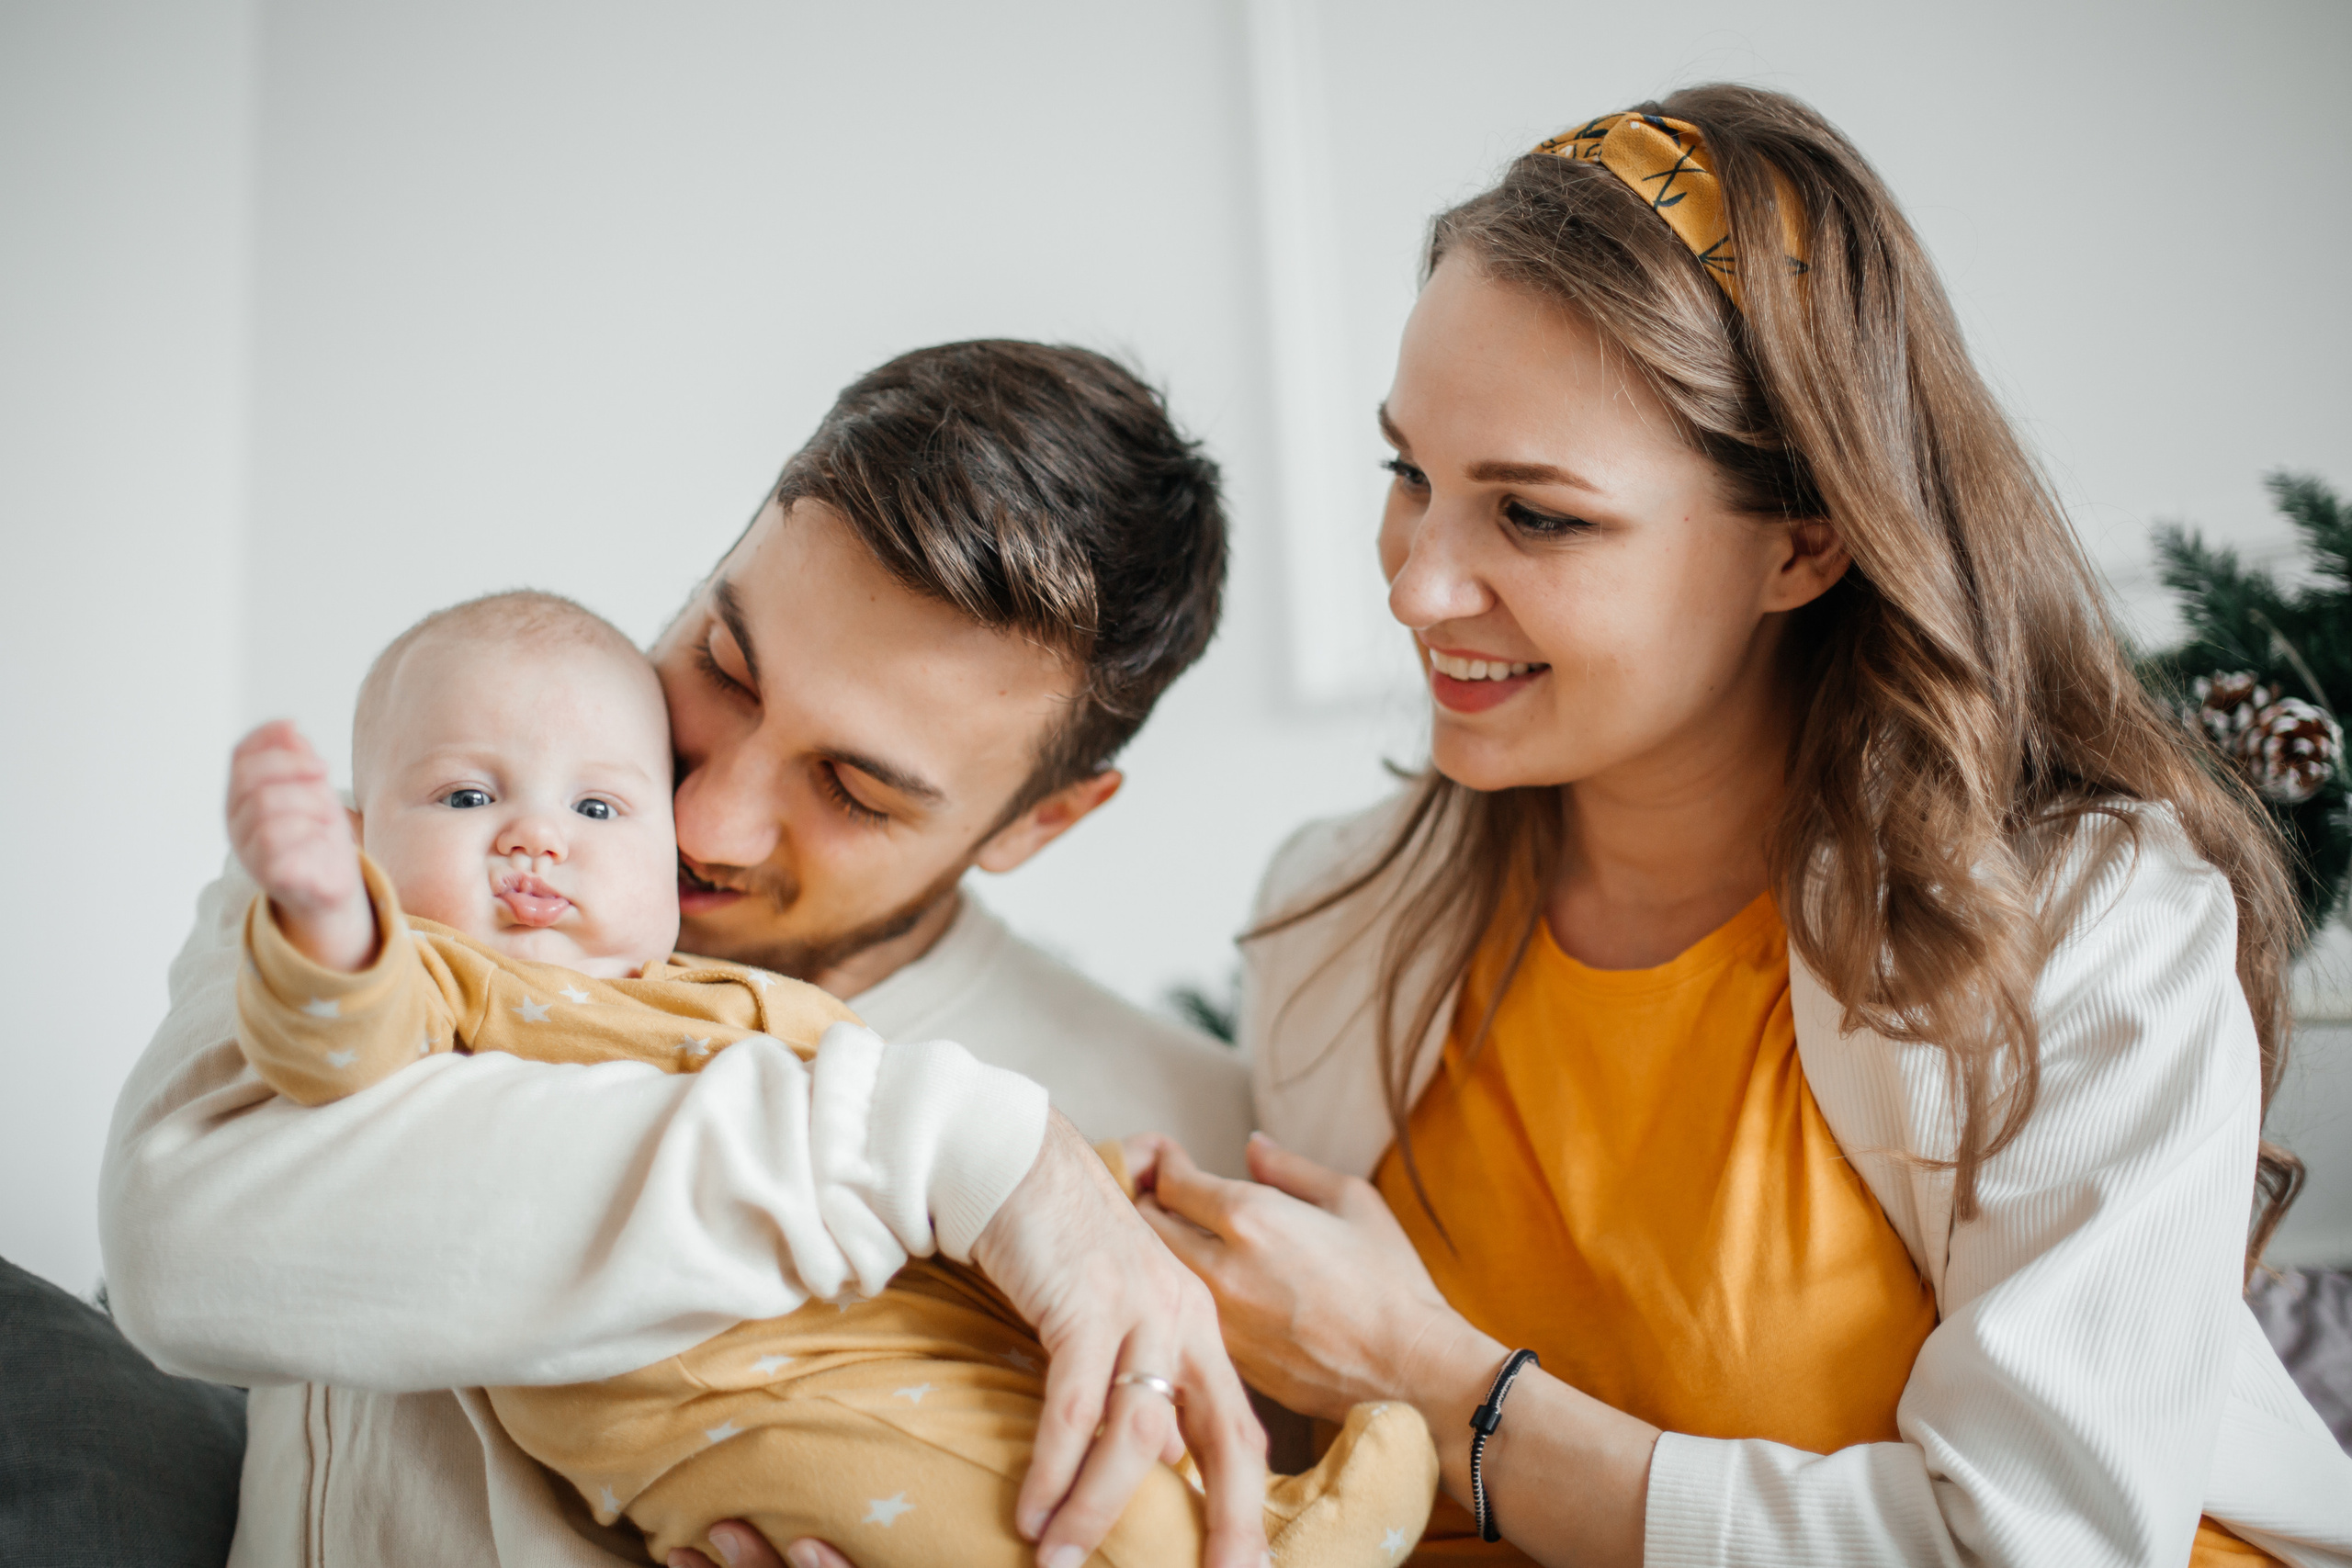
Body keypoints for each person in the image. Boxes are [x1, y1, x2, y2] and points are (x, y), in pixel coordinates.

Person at [1133, 86, 2352, 1567]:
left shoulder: (2085, 934)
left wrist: (1448, 1392)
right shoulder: (1341, 922)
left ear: (1803, 540)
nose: (1414, 587)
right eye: (1411, 477)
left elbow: (2036, 1548)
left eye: (1535, 517)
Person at [101, 342, 1271, 1568]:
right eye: (724, 663)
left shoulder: (1169, 1143)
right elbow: (185, 1252)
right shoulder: (380, 873)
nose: (706, 819)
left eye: (855, 790)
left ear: (1043, 820)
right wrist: (962, 1158)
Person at [222, 590, 1436, 1568]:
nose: (716, 816)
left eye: (600, 807)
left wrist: (1086, 1189)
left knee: (1049, 1453)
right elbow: (314, 1081)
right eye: (467, 797)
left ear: (1042, 822)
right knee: (969, 1506)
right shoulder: (432, 960)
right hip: (723, 1415)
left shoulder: (1184, 1101)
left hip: (884, 1355)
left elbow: (921, 1172)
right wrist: (326, 916)